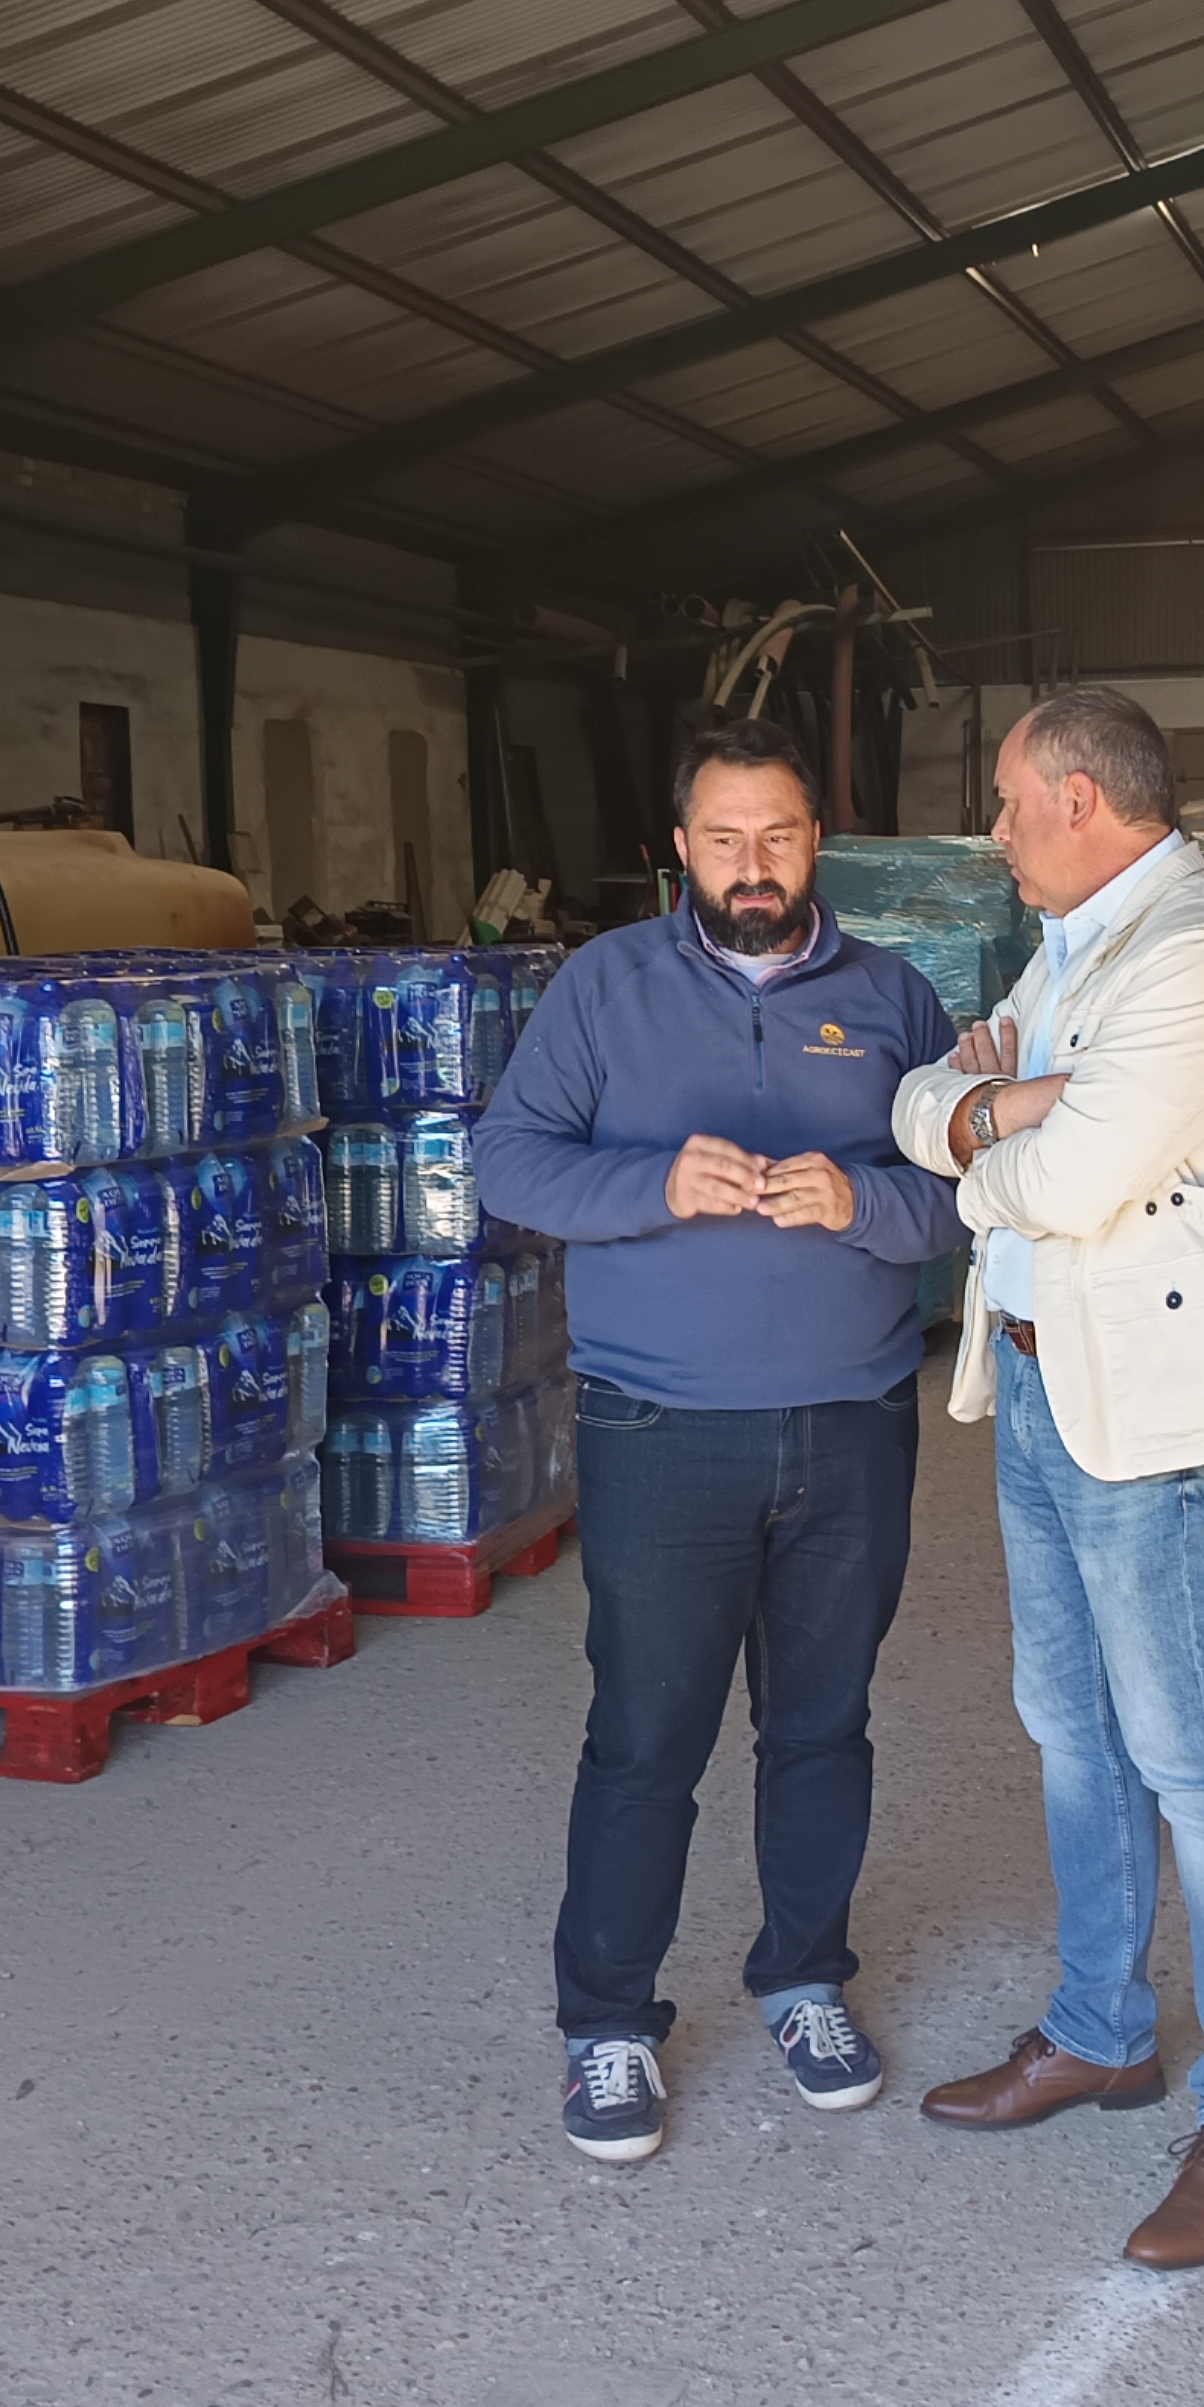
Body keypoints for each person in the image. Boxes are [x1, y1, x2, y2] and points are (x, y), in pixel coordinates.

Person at [475, 716, 965, 2166]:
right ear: (680, 848)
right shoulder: (603, 987)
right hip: (660, 1426)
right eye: (727, 839)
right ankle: (607, 2020)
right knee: (646, 1736)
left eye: (781, 836)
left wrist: (865, 1205)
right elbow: (507, 1162)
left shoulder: (895, 999)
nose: (755, 866)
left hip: (852, 1422)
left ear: (819, 842)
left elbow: (975, 1193)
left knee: (822, 1725)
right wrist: (654, 1181)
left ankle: (805, 1981)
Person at [888, 686, 1204, 2270]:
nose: (995, 832)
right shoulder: (1074, 948)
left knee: (1193, 1759)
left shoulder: (1197, 960)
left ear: (1080, 798)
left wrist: (986, 1126)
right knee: (1073, 1731)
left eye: (1009, 802)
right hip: (1043, 1385)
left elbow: (1056, 1181)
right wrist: (997, 1104)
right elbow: (920, 1101)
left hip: (1149, 1418)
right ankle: (1101, 2031)